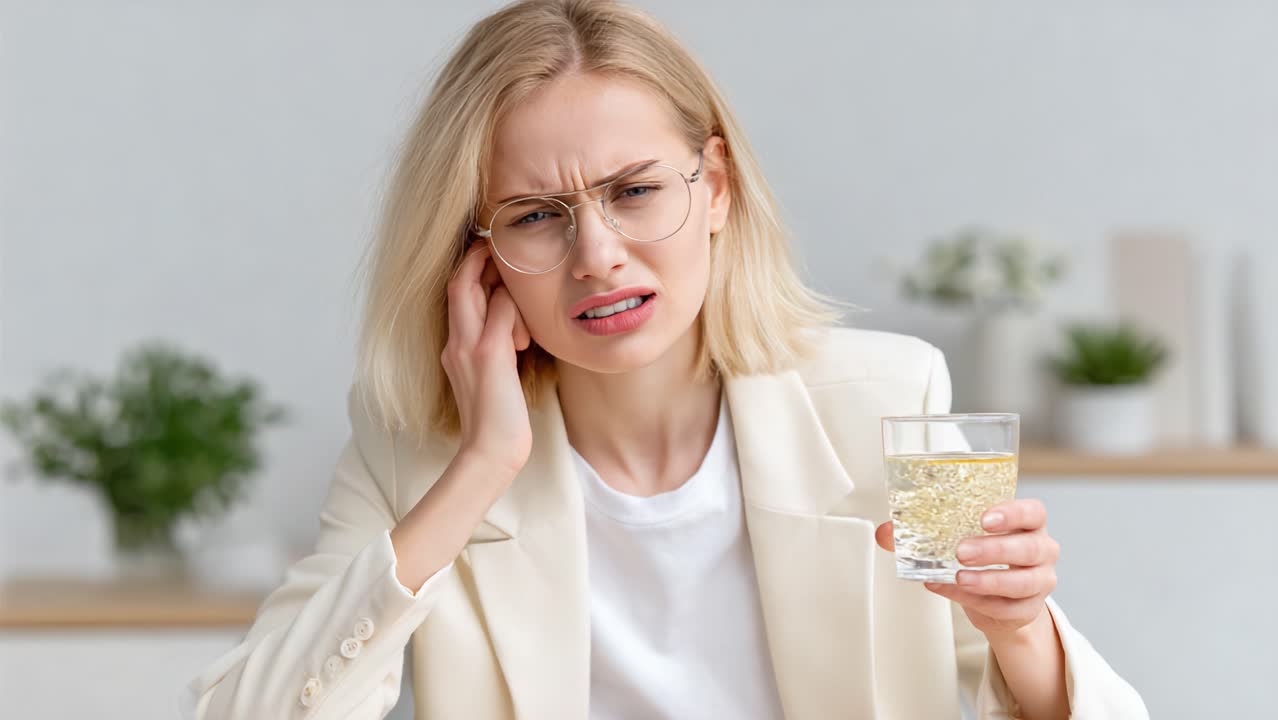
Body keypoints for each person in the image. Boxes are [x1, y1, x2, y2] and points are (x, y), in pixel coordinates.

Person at [188, 1, 1147, 718]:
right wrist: (482, 466)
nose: (597, 254)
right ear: (475, 261)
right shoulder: (414, 450)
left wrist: (1018, 628)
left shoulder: (890, 398)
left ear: (716, 186)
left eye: (634, 191)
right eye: (536, 217)